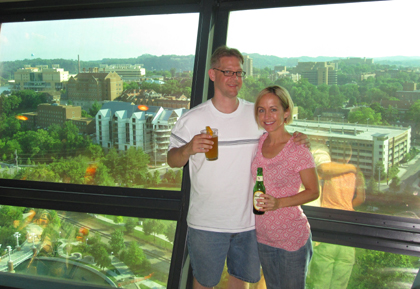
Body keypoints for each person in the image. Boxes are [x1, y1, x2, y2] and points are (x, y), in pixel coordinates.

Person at [167, 46, 308, 289]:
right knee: (203, 283)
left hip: (250, 223)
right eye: (228, 72)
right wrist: (188, 149)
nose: (235, 79)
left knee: (240, 283)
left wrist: (301, 138)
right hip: (206, 223)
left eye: (239, 73)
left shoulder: (255, 115)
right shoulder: (193, 119)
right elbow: (172, 161)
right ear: (213, 74)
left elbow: (280, 136)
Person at [251, 85, 319, 289]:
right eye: (261, 110)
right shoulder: (260, 142)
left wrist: (279, 202)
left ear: (286, 112)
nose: (267, 115)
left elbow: (314, 191)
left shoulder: (297, 149)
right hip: (263, 238)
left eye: (274, 109)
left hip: (292, 239)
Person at [307, 142, 365, 289]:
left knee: (320, 282)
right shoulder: (356, 174)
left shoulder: (327, 172)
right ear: (349, 156)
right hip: (347, 232)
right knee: (340, 283)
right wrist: (346, 204)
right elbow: (360, 199)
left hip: (328, 228)